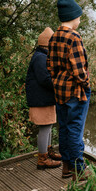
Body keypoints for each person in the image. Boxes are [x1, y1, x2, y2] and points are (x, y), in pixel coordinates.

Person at [47, 0, 91, 181]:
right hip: (75, 91)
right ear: (73, 17)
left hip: (59, 90)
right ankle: (79, 170)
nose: (80, 20)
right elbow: (79, 69)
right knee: (75, 130)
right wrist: (86, 85)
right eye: (79, 17)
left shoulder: (54, 36)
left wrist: (58, 80)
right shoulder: (74, 37)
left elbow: (49, 65)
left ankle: (66, 168)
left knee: (64, 128)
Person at [25, 27, 62, 170]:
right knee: (45, 127)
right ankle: (42, 159)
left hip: (44, 99)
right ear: (48, 44)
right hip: (41, 100)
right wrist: (60, 84)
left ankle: (48, 151)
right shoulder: (41, 58)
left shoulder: (42, 55)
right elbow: (45, 79)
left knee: (49, 125)